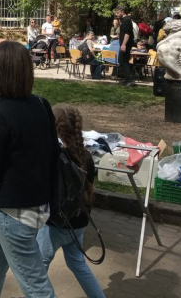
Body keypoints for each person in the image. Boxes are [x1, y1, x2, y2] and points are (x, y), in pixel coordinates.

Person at [0, 41, 58, 298]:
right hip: (31, 208)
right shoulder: (41, 104)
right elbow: (53, 156)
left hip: (15, 215)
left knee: (36, 287)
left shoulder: (0, 113)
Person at [36, 104, 105, 298]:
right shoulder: (86, 157)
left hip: (54, 224)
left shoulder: (54, 157)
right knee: (78, 264)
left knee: (37, 271)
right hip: (79, 222)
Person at [116, 5, 135, 87]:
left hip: (126, 44)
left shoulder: (126, 20)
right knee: (125, 61)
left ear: (122, 11)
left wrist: (123, 44)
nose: (117, 13)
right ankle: (127, 79)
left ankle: (130, 80)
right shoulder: (124, 20)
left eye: (118, 12)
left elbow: (127, 33)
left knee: (121, 60)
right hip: (125, 43)